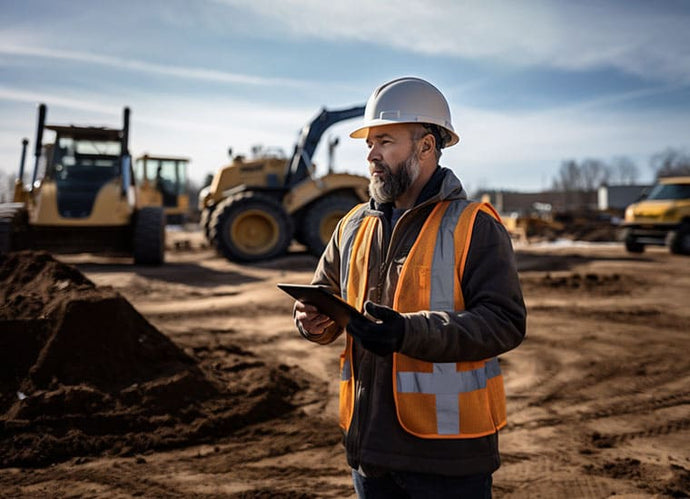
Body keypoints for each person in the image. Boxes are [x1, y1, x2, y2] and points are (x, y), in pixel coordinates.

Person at [293, 76, 526, 498]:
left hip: (449, 458)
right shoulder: (351, 226)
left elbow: (504, 323)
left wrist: (407, 332)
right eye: (369, 143)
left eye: (385, 141)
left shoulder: (475, 225)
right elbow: (323, 298)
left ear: (426, 146)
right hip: (370, 450)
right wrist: (312, 321)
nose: (371, 154)